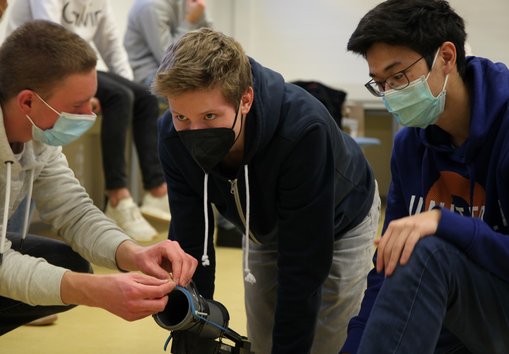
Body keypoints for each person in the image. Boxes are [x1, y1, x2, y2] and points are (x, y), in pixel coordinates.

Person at [152, 28, 381, 354]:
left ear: (245, 99)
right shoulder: (172, 137)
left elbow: (302, 266)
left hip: (340, 218)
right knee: (264, 341)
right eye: (181, 116)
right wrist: (192, 333)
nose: (193, 131)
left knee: (325, 342)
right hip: (262, 223)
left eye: (210, 116)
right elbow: (191, 240)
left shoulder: (302, 130)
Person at [0, 19, 197, 335]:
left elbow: (74, 213)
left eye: (91, 101)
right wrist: (96, 291)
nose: (89, 114)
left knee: (69, 266)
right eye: (76, 105)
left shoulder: (38, 135)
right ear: (27, 101)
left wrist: (134, 254)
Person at [341, 1, 509, 353]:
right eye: (380, 83)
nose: (390, 94)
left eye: (398, 75)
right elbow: (387, 267)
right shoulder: (409, 147)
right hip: (458, 311)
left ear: (447, 57)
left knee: (427, 251)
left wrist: (443, 222)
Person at [6, 0, 171, 242]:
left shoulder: (98, 2)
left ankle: (155, 189)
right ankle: (118, 195)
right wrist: (85, 98)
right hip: (38, 68)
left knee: (140, 97)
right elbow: (48, 38)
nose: (86, 114)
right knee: (120, 97)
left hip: (73, 66)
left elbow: (112, 44)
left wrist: (129, 85)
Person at [124, 0, 211, 88]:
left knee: (218, 80)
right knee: (200, 89)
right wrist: (190, 21)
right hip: (150, 73)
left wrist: (200, 14)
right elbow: (169, 60)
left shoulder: (191, 3)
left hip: (179, 69)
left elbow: (212, 42)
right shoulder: (150, 6)